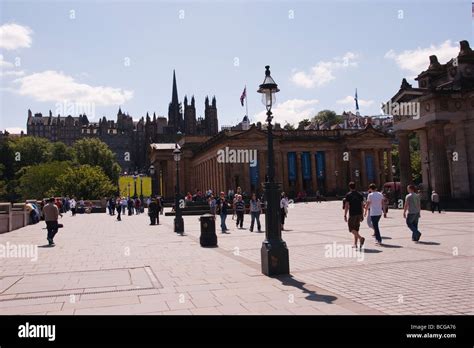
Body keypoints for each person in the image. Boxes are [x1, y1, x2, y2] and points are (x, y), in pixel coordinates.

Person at [344, 182, 365, 249]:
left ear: (349, 187)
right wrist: (362, 214)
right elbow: (362, 205)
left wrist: (345, 215)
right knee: (356, 228)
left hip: (352, 214)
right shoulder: (360, 194)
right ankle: (355, 244)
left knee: (351, 229)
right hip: (359, 213)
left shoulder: (348, 195)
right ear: (355, 187)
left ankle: (360, 238)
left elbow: (346, 206)